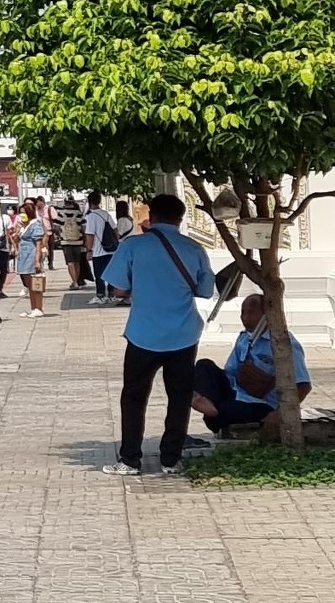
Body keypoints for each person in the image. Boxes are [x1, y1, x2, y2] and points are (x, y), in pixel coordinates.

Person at [100, 190, 219, 475]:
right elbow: (204, 291)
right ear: (181, 218)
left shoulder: (133, 247)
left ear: (150, 216)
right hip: (183, 335)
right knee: (179, 397)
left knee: (133, 397)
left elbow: (117, 289)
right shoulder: (194, 249)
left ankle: (130, 459)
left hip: (143, 333)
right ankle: (170, 460)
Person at [192, 293, 312, 438]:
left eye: (251, 312)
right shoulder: (244, 339)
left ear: (266, 314)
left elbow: (304, 385)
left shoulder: (284, 345)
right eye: (243, 312)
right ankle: (206, 403)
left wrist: (280, 413)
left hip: (263, 403)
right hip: (238, 391)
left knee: (220, 413)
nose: (245, 317)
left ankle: (215, 411)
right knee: (204, 365)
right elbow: (230, 373)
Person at [85, 195, 118, 303]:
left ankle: (101, 295)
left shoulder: (91, 217)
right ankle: (112, 293)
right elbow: (115, 230)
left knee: (99, 274)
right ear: (99, 201)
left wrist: (89, 250)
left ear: (89, 202)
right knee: (111, 272)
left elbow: (90, 235)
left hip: (98, 251)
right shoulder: (106, 214)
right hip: (111, 249)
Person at [14, 206, 46, 312]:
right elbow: (16, 240)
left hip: (31, 256)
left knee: (35, 284)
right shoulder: (23, 226)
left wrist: (37, 261)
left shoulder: (35, 225)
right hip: (23, 257)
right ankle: (33, 308)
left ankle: (38, 307)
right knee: (29, 284)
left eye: (24, 213)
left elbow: (38, 244)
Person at [58, 194, 89, 289]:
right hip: (78, 241)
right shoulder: (78, 213)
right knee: (77, 262)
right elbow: (84, 226)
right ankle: (77, 281)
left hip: (66, 241)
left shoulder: (61, 213)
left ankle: (74, 282)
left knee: (70, 262)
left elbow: (56, 226)